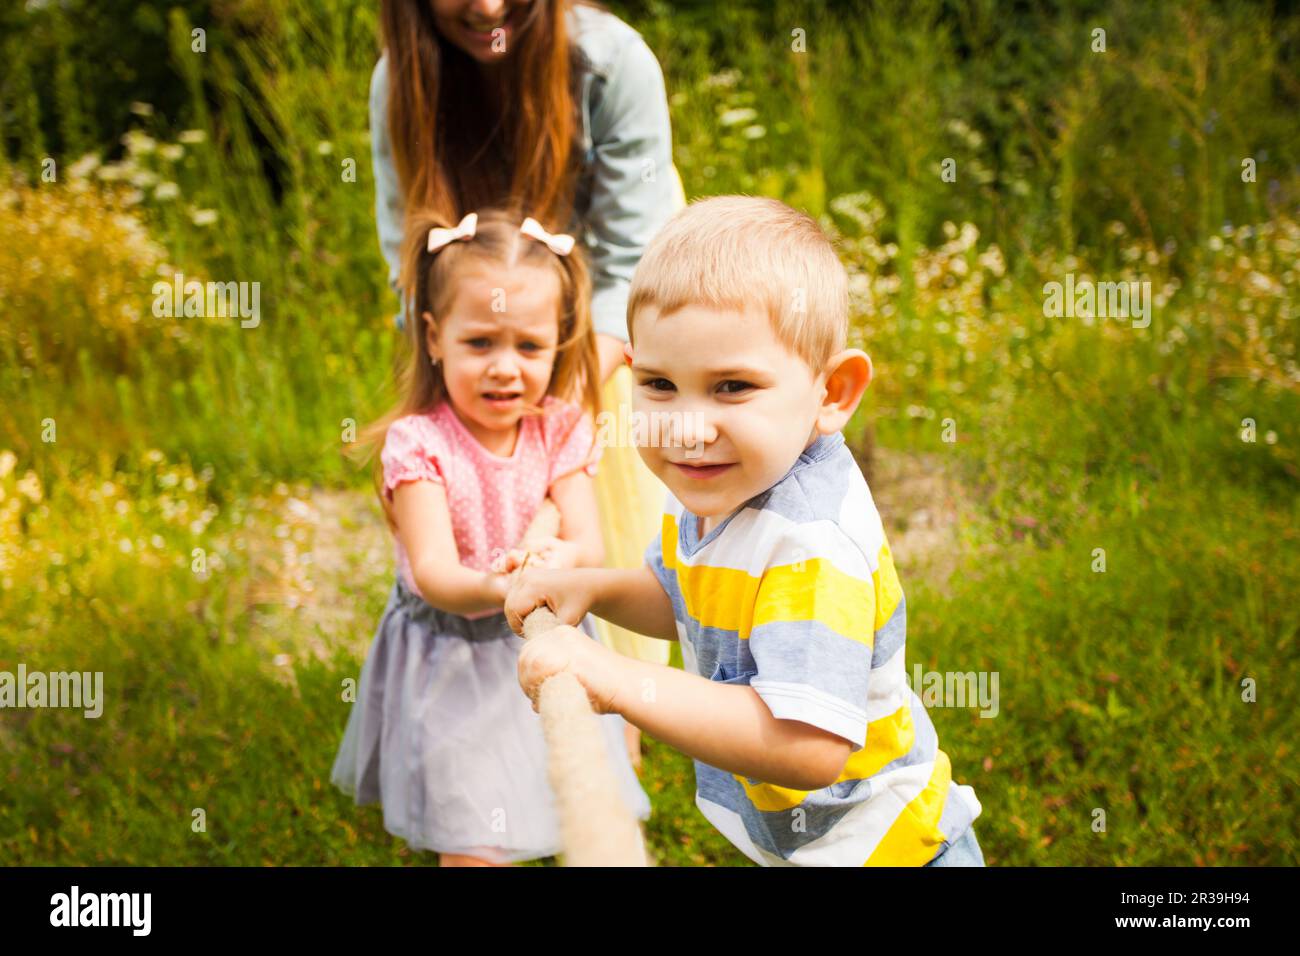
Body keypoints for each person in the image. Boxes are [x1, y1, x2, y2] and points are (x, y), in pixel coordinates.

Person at [505, 196, 985, 865]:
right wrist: (594, 588)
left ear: (832, 392)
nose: (688, 427)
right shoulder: (710, 484)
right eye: (660, 385)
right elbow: (690, 601)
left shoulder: (810, 543)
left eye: (732, 386)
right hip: (810, 849)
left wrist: (614, 680)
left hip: (891, 855)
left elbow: (806, 746)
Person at [371, 0, 683, 770]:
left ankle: (618, 728)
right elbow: (408, 258)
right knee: (484, 498)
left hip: (607, 326)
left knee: (612, 501)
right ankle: (488, 719)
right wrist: (467, 415)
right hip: (501, 332)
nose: (484, 6)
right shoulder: (399, 81)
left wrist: (557, 411)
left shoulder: (612, 64)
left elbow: (632, 257)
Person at [331, 206, 650, 866]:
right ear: (434, 337)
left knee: (562, 775)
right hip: (455, 656)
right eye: (481, 343)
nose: (506, 368)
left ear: (558, 343)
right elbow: (434, 575)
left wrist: (555, 560)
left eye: (529, 347)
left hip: (540, 636)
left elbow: (586, 544)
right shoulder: (419, 445)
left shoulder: (558, 429)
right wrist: (498, 583)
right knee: (473, 831)